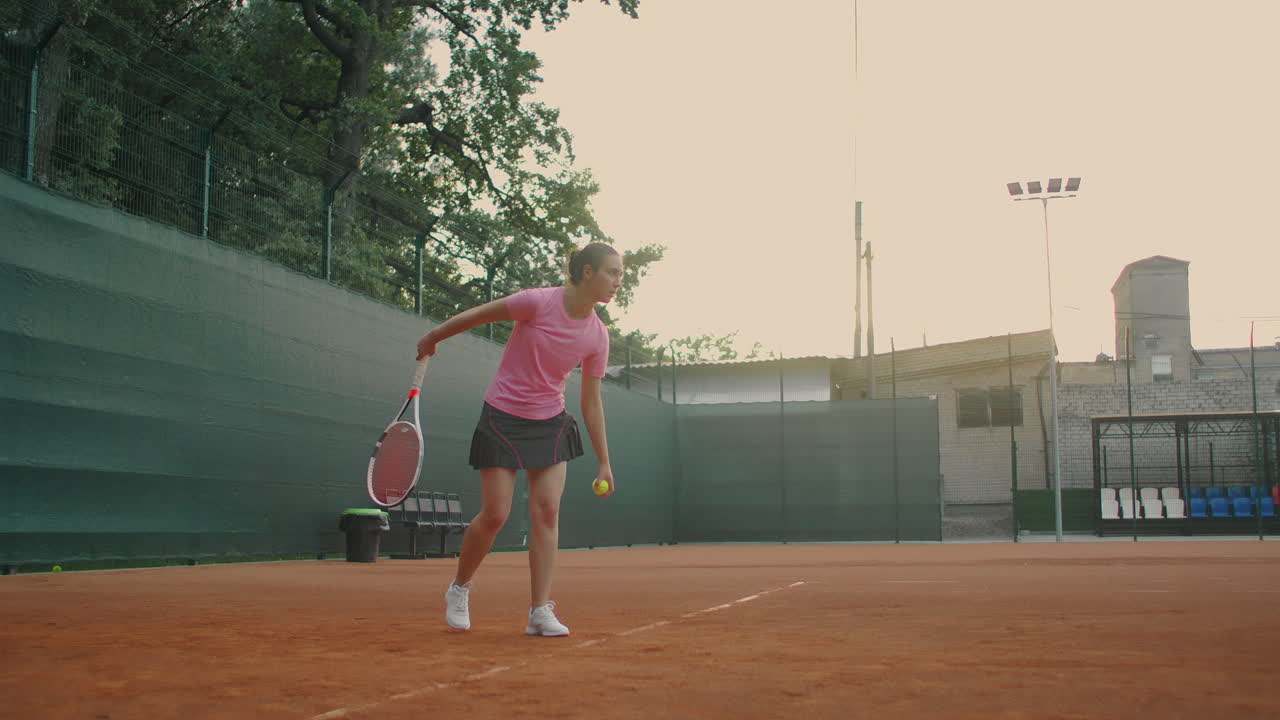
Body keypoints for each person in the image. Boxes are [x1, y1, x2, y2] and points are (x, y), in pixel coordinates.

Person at [415, 242, 622, 637]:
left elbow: (591, 404)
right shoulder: (537, 302)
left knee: (547, 512)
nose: (617, 282)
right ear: (587, 273)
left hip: (550, 421)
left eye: (621, 275)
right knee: (495, 514)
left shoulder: (598, 335)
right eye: (612, 273)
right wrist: (434, 336)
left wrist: (604, 461)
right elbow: (479, 316)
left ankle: (539, 610)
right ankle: (459, 588)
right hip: (503, 416)